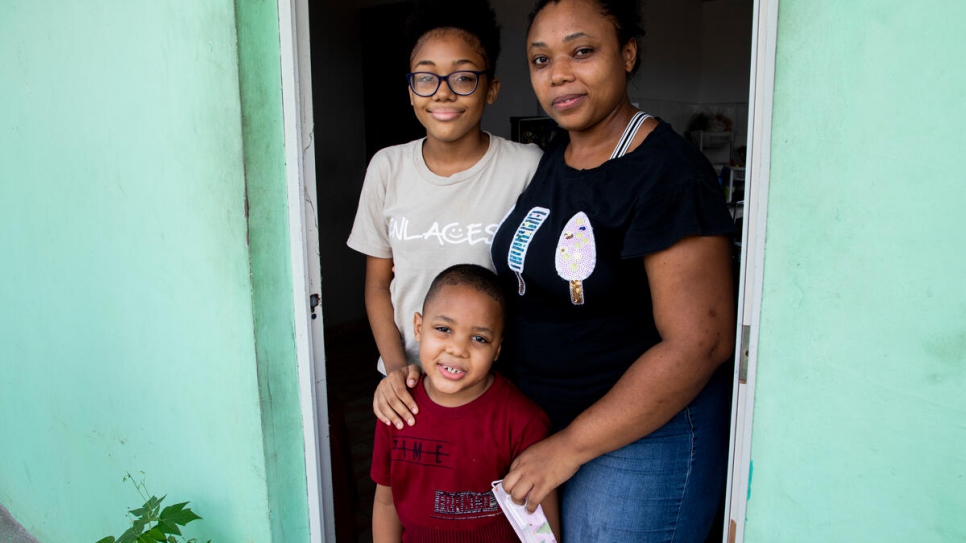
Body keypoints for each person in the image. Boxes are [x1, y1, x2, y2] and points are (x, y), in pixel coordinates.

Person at [374, 0, 738, 541]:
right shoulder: (553, 161)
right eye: (541, 60)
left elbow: (699, 344)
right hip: (543, 423)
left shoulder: (667, 173)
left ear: (629, 54)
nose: (559, 73)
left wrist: (568, 447)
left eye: (583, 51)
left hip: (637, 434)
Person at [347, 0, 544, 380]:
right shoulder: (387, 168)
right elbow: (377, 284)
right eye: (426, 77)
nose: (442, 92)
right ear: (410, 90)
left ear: (491, 89)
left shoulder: (527, 167)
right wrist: (395, 369)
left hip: (498, 380)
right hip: (409, 380)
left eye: (463, 77)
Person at [371, 264, 559, 543]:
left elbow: (541, 525)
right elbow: (386, 504)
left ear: (497, 350)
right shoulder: (398, 408)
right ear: (418, 327)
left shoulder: (522, 421)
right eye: (444, 329)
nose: (457, 349)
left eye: (479, 338)